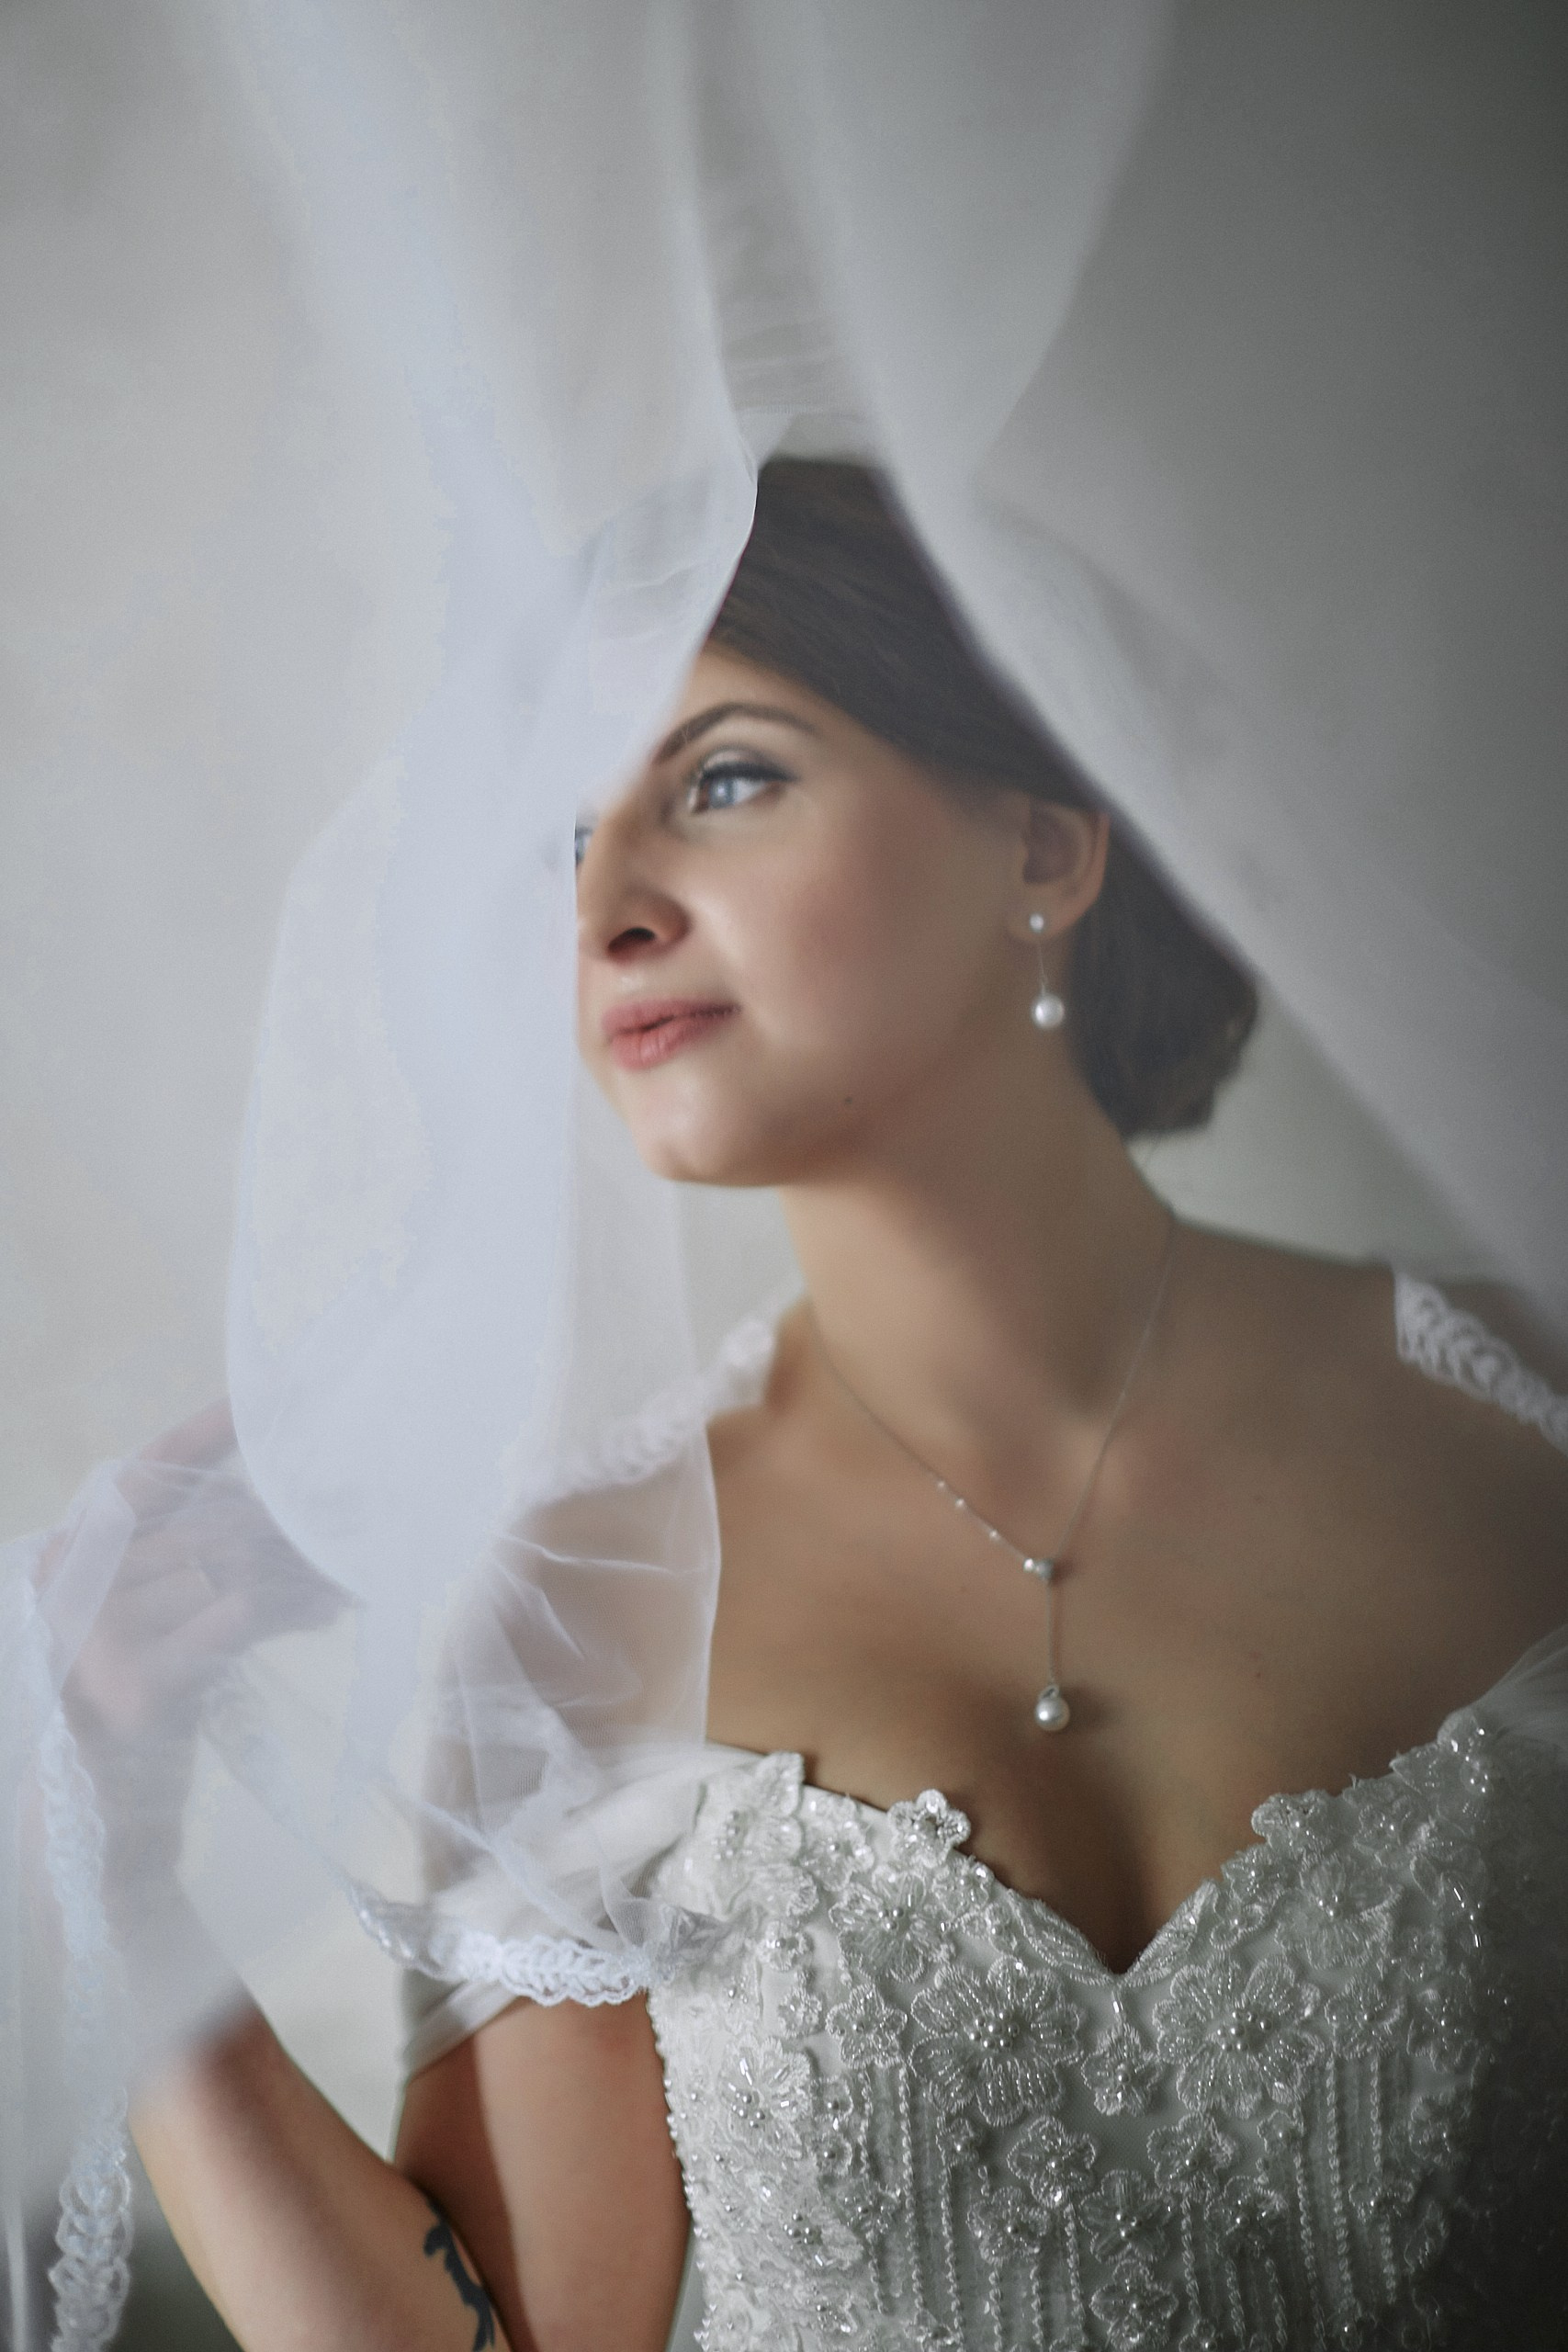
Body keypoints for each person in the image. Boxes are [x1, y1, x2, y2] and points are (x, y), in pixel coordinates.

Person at [127, 461, 1568, 2351]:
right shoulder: (589, 1600)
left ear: (1043, 849)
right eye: (567, 836)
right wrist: (115, 1850)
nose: (607, 906)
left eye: (723, 779)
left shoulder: (1524, 1422)